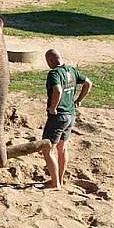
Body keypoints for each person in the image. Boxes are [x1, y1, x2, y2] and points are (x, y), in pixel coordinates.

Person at [41, 49, 92, 190]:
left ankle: (55, 183)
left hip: (58, 117)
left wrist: (53, 107)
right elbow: (88, 83)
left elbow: (57, 90)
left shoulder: (54, 74)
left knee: (47, 150)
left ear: (50, 61)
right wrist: (79, 100)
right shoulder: (71, 70)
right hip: (71, 115)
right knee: (62, 149)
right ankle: (61, 180)